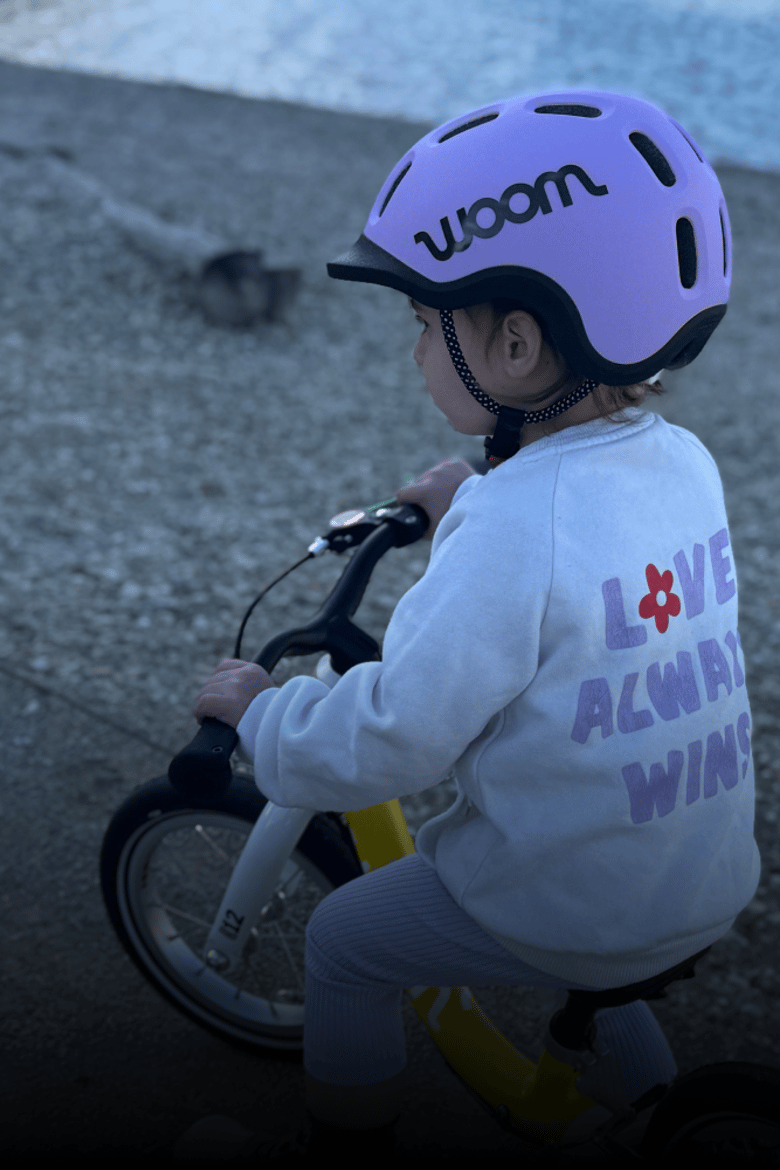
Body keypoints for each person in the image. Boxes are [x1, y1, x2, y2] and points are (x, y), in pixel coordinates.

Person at [173, 89, 761, 1160]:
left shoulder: (515, 528)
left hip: (578, 903)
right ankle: (653, 1090)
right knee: (604, 917)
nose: (414, 357)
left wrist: (265, 717)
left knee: (349, 941)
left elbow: (396, 735)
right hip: (701, 867)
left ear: (520, 343)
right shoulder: (680, 458)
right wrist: (471, 501)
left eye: (423, 326)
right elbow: (574, 561)